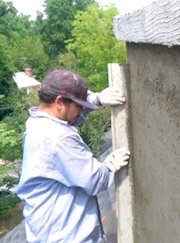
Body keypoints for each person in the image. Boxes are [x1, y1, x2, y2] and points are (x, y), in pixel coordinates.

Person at [16, 69, 130, 243]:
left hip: (49, 232)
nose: (82, 110)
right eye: (80, 105)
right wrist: (109, 166)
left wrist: (97, 99)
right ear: (59, 101)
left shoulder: (38, 122)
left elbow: (73, 116)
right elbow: (94, 180)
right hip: (66, 236)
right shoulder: (58, 137)